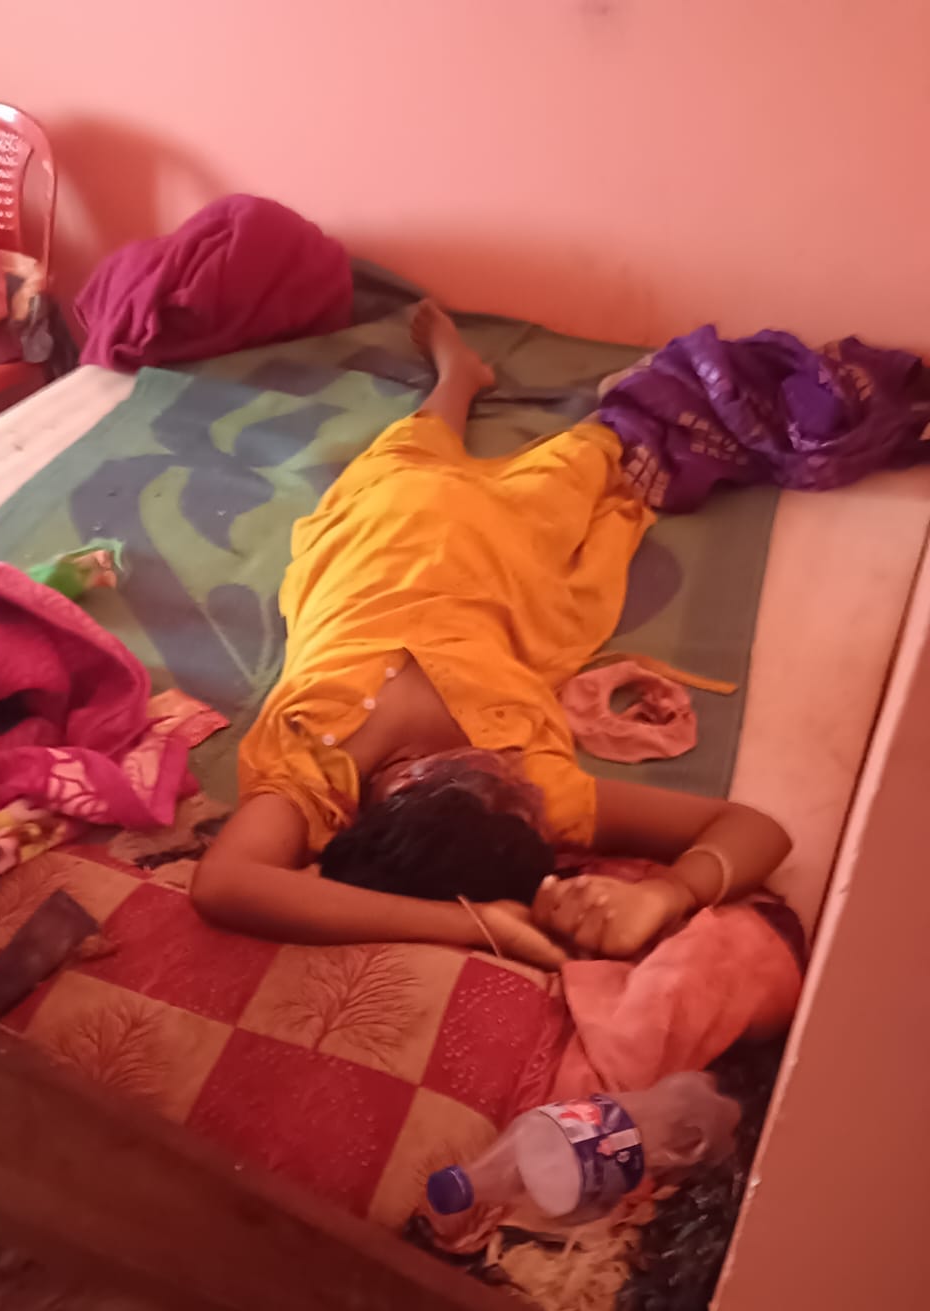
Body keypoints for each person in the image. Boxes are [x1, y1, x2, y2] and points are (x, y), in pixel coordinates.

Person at [192, 303, 791, 968]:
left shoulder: (312, 763)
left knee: (404, 457)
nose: (500, 770)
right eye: (513, 789)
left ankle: (458, 376)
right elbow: (754, 829)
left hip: (376, 536)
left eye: (467, 772)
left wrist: (470, 925)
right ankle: (474, 386)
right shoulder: (536, 790)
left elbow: (226, 884)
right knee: (593, 453)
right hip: (505, 557)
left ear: (394, 792)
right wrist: (666, 893)